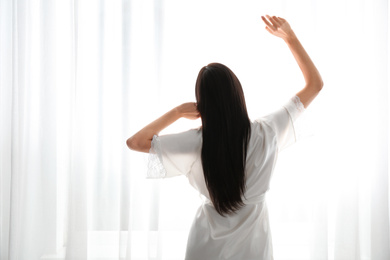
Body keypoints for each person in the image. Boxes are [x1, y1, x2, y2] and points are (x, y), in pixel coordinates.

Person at [127, 15, 323, 260]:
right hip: (255, 250)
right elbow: (315, 85)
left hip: (204, 248)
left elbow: (135, 142)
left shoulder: (195, 142)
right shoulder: (267, 131)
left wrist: (177, 111)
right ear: (237, 94)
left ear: (202, 103)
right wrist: (290, 37)